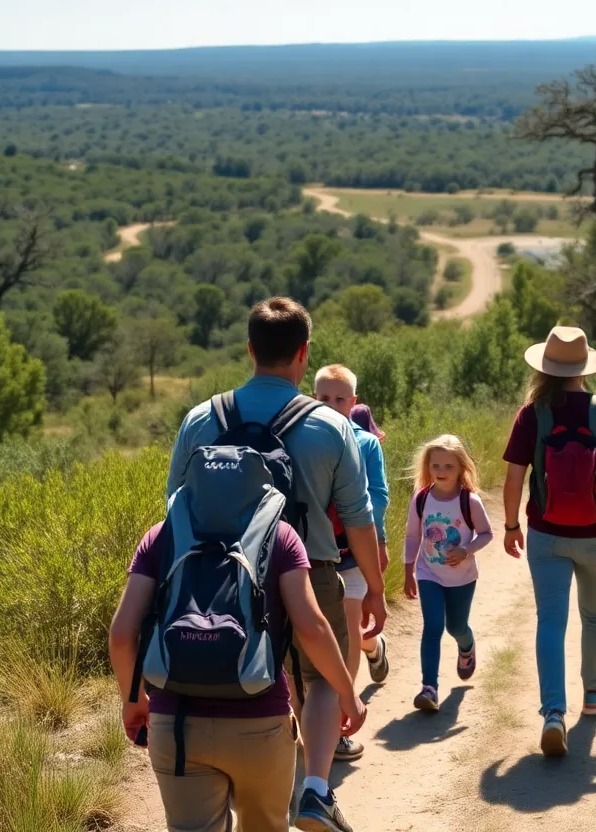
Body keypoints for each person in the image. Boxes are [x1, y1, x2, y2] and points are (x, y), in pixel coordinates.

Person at [166, 297, 385, 832]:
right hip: (313, 570)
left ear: (249, 350)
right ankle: (313, 791)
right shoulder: (330, 427)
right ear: (304, 354)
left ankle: (255, 793)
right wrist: (375, 588)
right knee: (324, 681)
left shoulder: (201, 419)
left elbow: (175, 509)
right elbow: (358, 519)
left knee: (262, 685)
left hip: (224, 584)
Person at [109, 520, 366, 832]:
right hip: (261, 723)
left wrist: (132, 699)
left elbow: (122, 635)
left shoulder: (160, 535)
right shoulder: (280, 535)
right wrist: (346, 694)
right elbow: (311, 628)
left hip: (176, 726)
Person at [502, 326, 596, 757]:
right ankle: (592, 694)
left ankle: (553, 713)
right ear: (585, 369)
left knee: (550, 620)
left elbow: (514, 477)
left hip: (546, 533)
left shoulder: (531, 414)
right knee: (594, 614)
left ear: (545, 368)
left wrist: (512, 526)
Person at [314, 364, 391, 763]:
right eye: (323, 397)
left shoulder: (365, 444)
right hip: (312, 556)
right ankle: (375, 647)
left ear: (353, 403)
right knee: (320, 633)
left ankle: (340, 723)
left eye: (339, 399)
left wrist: (378, 543)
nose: (331, 404)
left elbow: (377, 498)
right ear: (313, 398)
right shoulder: (303, 437)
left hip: (351, 556)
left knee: (345, 631)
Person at [402, 435, 493, 712]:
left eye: (448, 467)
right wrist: (408, 571)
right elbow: (412, 536)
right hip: (429, 573)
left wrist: (467, 550)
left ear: (461, 469)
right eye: (436, 466)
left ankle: (466, 646)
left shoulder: (470, 501)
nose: (441, 472)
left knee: (456, 627)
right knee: (432, 627)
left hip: (463, 577)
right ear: (428, 467)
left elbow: (486, 533)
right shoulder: (421, 499)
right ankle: (429, 688)